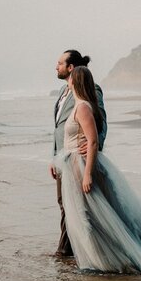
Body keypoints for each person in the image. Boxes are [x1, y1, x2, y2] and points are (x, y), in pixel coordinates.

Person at [51, 66, 141, 273]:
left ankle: (114, 259)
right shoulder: (79, 105)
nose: (67, 81)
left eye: (70, 79)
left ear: (75, 82)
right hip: (73, 165)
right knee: (89, 216)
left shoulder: (83, 107)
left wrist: (87, 175)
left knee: (96, 216)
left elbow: (93, 142)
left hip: (83, 166)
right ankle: (98, 257)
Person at [51, 50, 106, 257]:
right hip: (62, 156)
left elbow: (100, 119)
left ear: (70, 67)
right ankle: (70, 246)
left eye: (59, 63)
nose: (56, 67)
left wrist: (95, 144)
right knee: (63, 202)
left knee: (74, 205)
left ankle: (65, 250)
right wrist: (53, 156)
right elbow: (57, 128)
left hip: (78, 158)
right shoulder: (61, 93)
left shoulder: (90, 89)